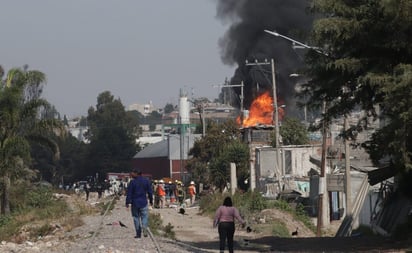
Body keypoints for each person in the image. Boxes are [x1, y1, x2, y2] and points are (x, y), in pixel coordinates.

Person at [126, 169, 153, 239]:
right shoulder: (146, 181)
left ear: (136, 174)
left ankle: (138, 233)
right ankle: (144, 226)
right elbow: (150, 192)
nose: (131, 175)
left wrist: (127, 202)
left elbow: (129, 193)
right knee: (144, 216)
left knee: (136, 217)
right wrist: (151, 200)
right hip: (144, 202)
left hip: (135, 203)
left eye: (133, 173)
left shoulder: (132, 182)